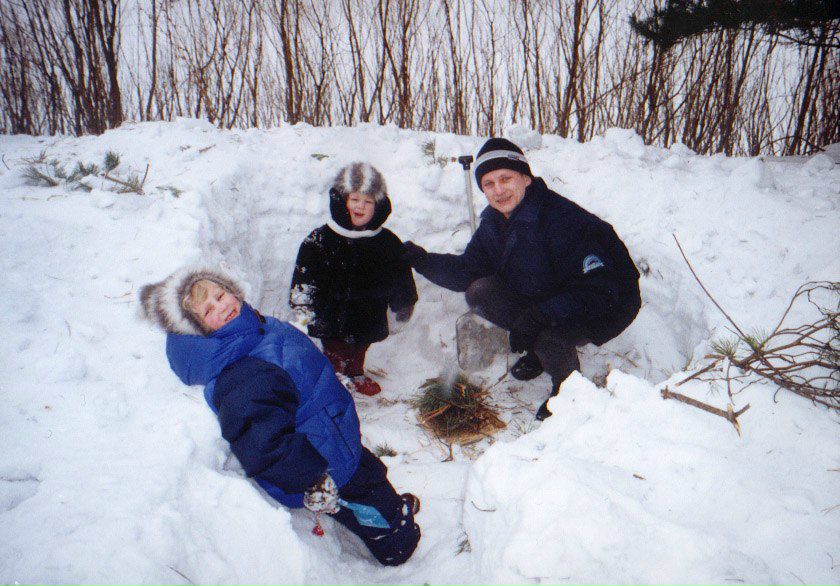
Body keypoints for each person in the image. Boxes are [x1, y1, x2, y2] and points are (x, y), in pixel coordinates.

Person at [139, 267, 421, 566]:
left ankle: (386, 511)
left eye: (220, 295)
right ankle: (397, 541)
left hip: (330, 436)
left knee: (370, 475)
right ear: (199, 332)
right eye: (209, 310)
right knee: (367, 495)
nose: (222, 306)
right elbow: (264, 443)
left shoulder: (251, 330)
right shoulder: (242, 374)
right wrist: (314, 480)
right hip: (322, 463)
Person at [403, 138, 641, 420]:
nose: (498, 190)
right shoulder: (495, 221)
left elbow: (599, 292)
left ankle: (569, 391)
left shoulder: (563, 220)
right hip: (550, 292)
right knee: (480, 291)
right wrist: (420, 259)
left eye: (506, 178)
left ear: (526, 178)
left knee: (548, 331)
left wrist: (538, 316)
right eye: (488, 183)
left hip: (606, 304)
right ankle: (542, 353)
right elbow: (468, 271)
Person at [290, 162, 418, 397]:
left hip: (368, 312)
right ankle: (335, 374)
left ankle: (356, 372)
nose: (360, 206)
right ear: (342, 200)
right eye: (354, 199)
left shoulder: (386, 241)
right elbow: (305, 274)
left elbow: (400, 274)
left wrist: (404, 302)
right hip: (331, 311)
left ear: (378, 206)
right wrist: (303, 305)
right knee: (334, 348)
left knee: (360, 346)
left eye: (368, 201)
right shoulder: (320, 239)